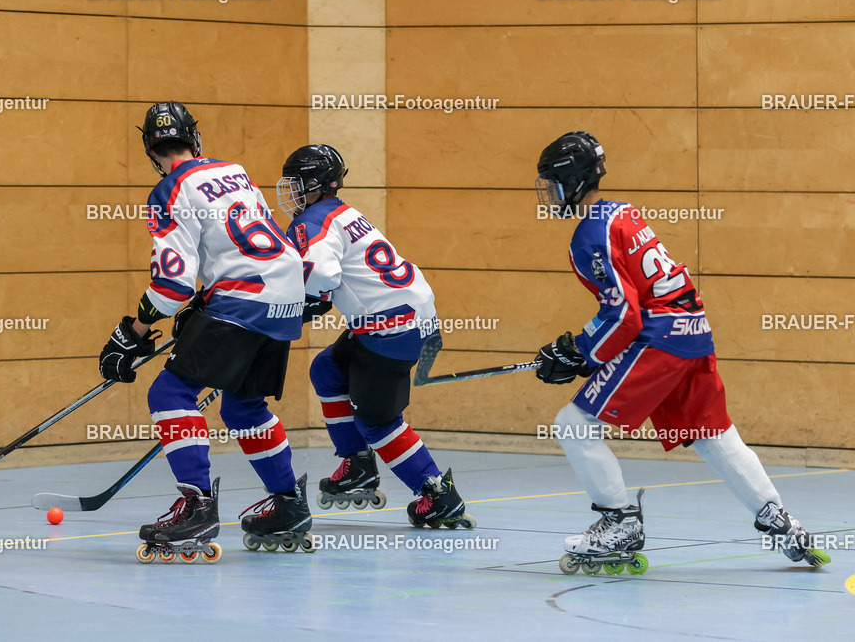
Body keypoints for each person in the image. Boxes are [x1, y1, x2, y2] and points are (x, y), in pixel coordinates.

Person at [533, 130, 829, 573]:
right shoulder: (622, 213)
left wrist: (581, 351)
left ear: (572, 180)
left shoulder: (589, 234)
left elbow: (624, 314)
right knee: (712, 435)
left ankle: (619, 523)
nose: (549, 194)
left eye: (553, 183)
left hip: (662, 339)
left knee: (573, 425)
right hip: (694, 332)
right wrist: (580, 349)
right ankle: (781, 522)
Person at [99, 101, 314, 561]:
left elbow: (172, 286)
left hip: (243, 297)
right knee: (243, 405)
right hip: (287, 294)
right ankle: (289, 505)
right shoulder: (234, 170)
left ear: (151, 152)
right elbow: (245, 244)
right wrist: (206, 298)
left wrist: (131, 333)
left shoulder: (168, 190)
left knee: (170, 394)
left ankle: (196, 507)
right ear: (195, 139)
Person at [277, 144, 475, 529]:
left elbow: (321, 276)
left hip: (389, 327)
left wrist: (291, 303)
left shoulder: (310, 221)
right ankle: (358, 465)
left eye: (296, 183)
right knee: (327, 369)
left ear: (315, 184)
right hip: (406, 316)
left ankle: (437, 493)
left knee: (377, 421)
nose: (291, 191)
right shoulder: (343, 212)